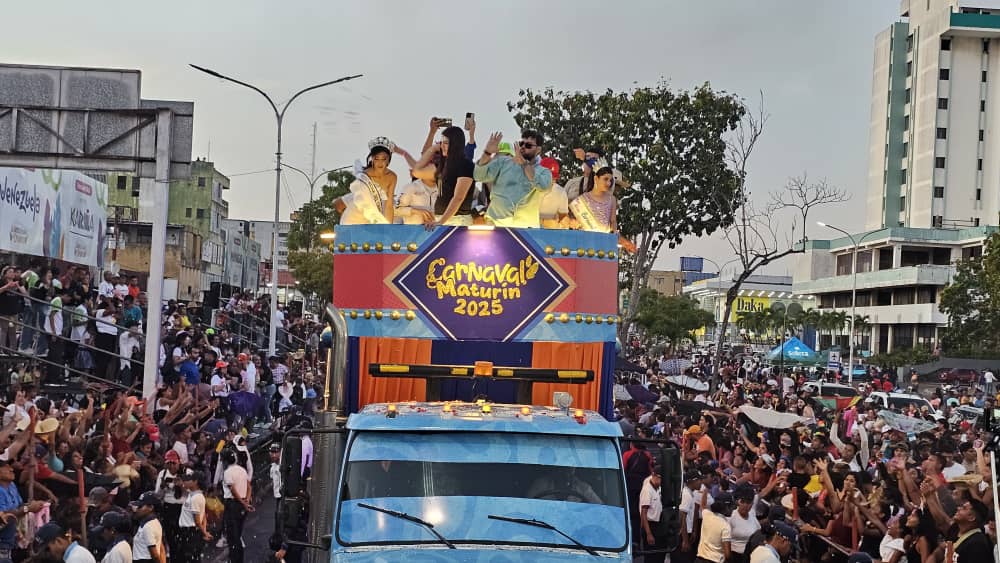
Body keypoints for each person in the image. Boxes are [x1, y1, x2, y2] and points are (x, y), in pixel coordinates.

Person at [397, 126, 476, 226]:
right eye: (441, 142)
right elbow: (416, 171)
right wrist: (433, 149)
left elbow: (458, 197)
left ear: (455, 144)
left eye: (446, 143)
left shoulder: (465, 165)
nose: (442, 145)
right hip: (440, 218)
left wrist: (441, 222)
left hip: (458, 220)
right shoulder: (442, 165)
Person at [474, 130, 553, 227]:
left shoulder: (544, 172)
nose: (523, 147)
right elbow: (478, 176)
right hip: (496, 224)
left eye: (528, 145)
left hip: (526, 230)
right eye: (521, 143)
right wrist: (487, 152)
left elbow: (543, 186)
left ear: (538, 150)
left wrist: (524, 164)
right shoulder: (503, 162)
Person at [336, 137, 397, 225]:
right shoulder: (364, 177)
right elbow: (340, 203)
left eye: (384, 159)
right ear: (372, 158)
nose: (380, 162)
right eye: (377, 158)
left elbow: (389, 205)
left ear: (388, 159)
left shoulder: (392, 177)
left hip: (374, 222)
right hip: (354, 218)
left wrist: (388, 228)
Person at [222, 448, 253, 563]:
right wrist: (247, 501)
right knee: (238, 534)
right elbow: (249, 486)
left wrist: (242, 502)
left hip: (233, 504)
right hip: (242, 504)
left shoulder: (227, 472)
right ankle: (239, 559)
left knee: (232, 537)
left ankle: (235, 560)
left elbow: (233, 490)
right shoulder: (242, 470)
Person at [176, 471, 211, 563]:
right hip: (189, 533)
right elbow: (203, 517)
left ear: (195, 482)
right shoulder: (193, 495)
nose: (186, 481)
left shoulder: (196, 498)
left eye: (189, 480)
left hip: (191, 533)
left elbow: (198, 521)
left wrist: (204, 533)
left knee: (191, 559)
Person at [639, 465, 667, 563]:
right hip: (650, 525)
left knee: (659, 556)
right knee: (651, 557)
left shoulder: (658, 488)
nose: (660, 481)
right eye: (659, 478)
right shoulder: (647, 490)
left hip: (658, 525)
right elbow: (643, 513)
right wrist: (648, 533)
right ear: (653, 475)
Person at [697, 492, 734, 563]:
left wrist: (705, 491)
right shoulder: (725, 526)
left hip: (699, 559)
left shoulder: (706, 515)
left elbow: (702, 505)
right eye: (732, 506)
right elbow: (727, 554)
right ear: (726, 507)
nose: (733, 509)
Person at [130, 491, 166, 563]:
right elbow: (161, 547)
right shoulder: (150, 522)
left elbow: (155, 555)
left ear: (151, 507)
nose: (137, 509)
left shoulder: (149, 526)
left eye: (140, 506)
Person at [537, 157, 569, 228]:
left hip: (551, 234)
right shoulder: (527, 188)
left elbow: (563, 217)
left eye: (554, 178)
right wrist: (543, 222)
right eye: (548, 177)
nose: (551, 181)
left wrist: (565, 221)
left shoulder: (560, 192)